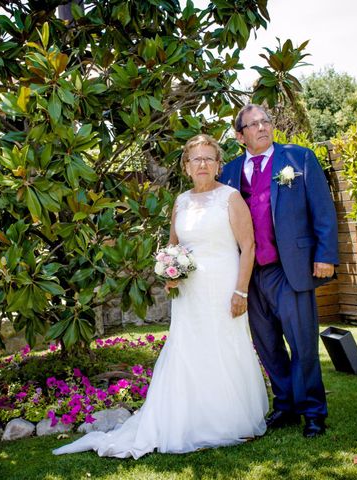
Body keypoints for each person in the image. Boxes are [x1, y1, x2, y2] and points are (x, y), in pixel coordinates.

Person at [53, 134, 269, 458]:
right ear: (186, 166)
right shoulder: (181, 201)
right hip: (189, 293)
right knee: (189, 350)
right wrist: (170, 272)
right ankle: (191, 419)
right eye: (196, 159)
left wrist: (240, 290)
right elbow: (174, 246)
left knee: (225, 348)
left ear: (218, 164)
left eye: (209, 158)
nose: (203, 164)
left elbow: (248, 246)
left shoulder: (231, 198)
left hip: (224, 287)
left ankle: (232, 420)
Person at [220, 104, 339, 438]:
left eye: (265, 121)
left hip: (290, 269)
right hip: (250, 276)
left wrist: (325, 254)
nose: (262, 128)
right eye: (253, 124)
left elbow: (324, 210)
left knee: (302, 344)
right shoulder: (228, 173)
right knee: (268, 345)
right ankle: (285, 406)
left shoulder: (299, 159)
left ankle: (313, 412)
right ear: (240, 135)